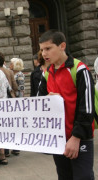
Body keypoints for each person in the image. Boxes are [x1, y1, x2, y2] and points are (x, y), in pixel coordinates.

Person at [38, 30, 95, 180]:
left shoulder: (80, 69)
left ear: (62, 46)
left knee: (83, 177)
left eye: (48, 48)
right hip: (58, 140)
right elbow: (37, 105)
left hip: (80, 139)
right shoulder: (46, 74)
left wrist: (76, 137)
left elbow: (87, 108)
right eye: (42, 49)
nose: (44, 54)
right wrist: (47, 101)